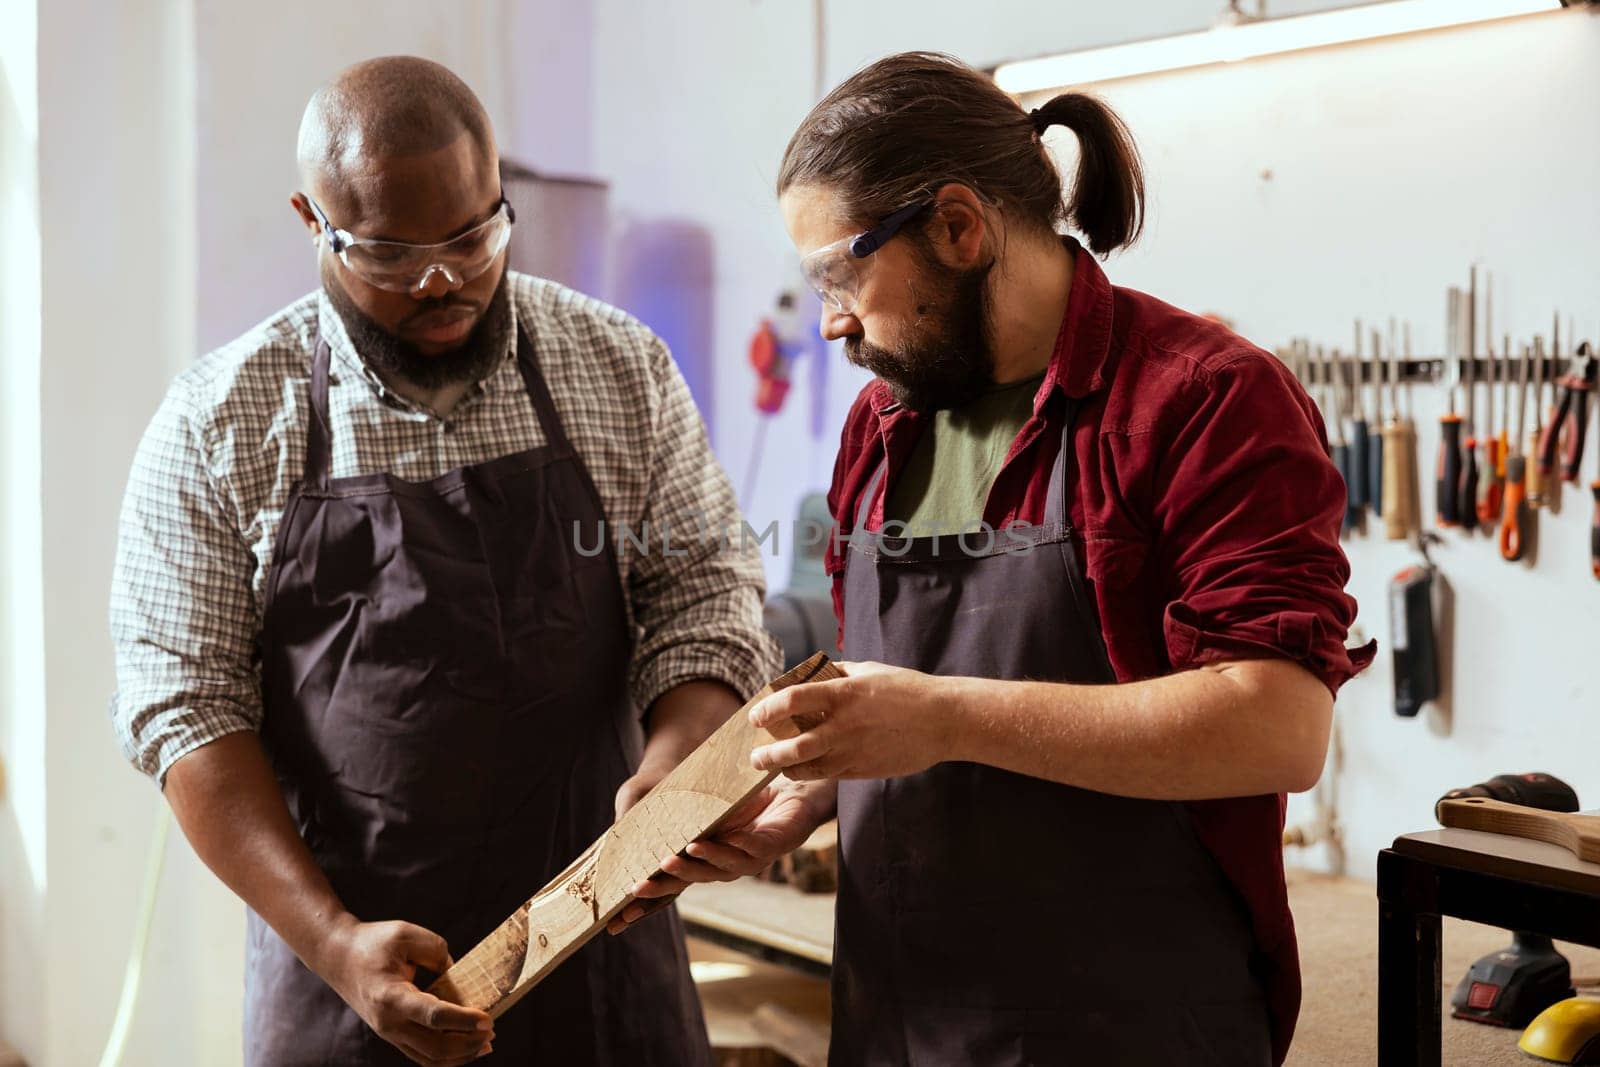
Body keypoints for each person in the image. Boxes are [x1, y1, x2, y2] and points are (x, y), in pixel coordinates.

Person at [618, 51, 1374, 1066]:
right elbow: (877, 682)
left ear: (959, 228)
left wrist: (938, 714)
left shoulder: (1204, 398)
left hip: (1129, 1026)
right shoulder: (881, 423)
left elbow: (1278, 725)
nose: (832, 318)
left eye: (842, 274)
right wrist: (798, 804)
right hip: (897, 1014)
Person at [110, 56, 778, 1066]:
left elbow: (703, 597)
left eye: (473, 239)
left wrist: (677, 770)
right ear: (312, 217)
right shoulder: (221, 420)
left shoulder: (617, 364)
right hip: (350, 977)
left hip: (605, 962)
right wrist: (335, 944)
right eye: (392, 255)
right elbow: (185, 706)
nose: (443, 283)